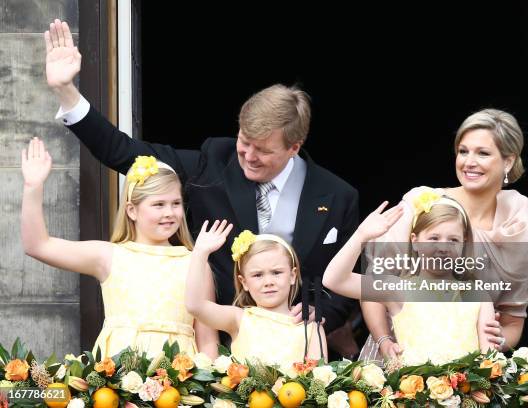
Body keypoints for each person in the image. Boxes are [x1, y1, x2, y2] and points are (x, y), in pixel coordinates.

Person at [44, 20, 359, 338]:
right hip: (213, 350)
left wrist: (318, 318)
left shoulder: (337, 196)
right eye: (244, 141)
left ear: (294, 147)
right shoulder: (211, 163)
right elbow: (122, 152)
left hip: (297, 350)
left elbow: (346, 283)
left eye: (262, 150)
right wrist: (66, 92)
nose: (248, 156)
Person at [360, 109, 528, 360]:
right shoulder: (422, 202)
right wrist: (384, 341)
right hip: (400, 356)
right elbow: (373, 287)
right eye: (463, 151)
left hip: (467, 367)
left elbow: (512, 323)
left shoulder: (516, 223)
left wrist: (496, 340)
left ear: (508, 161)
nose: (469, 162)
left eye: (482, 153)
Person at [21, 139, 217, 358]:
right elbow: (37, 245)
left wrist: (202, 388)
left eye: (176, 203)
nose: (169, 212)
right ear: (132, 211)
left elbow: (208, 342)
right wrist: (32, 186)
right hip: (118, 380)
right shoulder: (110, 256)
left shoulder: (195, 263)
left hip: (179, 382)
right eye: (159, 204)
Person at [323, 196, 496, 365]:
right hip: (410, 391)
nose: (443, 247)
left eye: (453, 240)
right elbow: (334, 280)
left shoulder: (479, 296)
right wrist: (361, 235)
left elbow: (489, 360)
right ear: (415, 242)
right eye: (434, 238)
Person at [185, 224, 327, 367]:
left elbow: (319, 381)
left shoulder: (310, 326)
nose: (268, 282)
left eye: (277, 272)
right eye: (258, 275)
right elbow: (194, 306)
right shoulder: (238, 319)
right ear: (244, 282)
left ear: (292, 275)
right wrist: (200, 253)